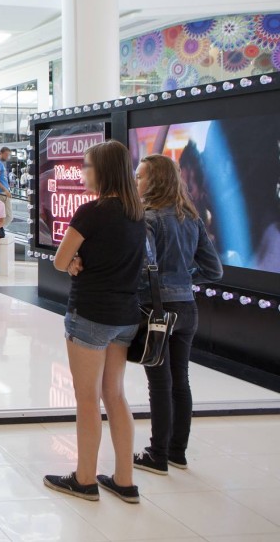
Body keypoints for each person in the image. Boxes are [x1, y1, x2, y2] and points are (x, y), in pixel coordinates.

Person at [44, 140, 146, 505]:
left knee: (87, 399)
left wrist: (72, 263)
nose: (83, 172)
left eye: (87, 166)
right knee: (115, 395)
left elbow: (59, 260)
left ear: (102, 170)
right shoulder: (138, 214)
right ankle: (124, 479)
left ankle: (84, 479)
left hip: (90, 315)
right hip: (125, 318)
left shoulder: (90, 213)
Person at [133, 154, 222, 474]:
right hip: (187, 308)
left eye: (141, 176)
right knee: (180, 382)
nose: (136, 181)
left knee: (160, 384)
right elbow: (214, 270)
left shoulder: (148, 219)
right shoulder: (192, 218)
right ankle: (177, 452)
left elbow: (144, 271)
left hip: (159, 311)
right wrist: (184, 280)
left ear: (154, 180)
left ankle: (157, 454)